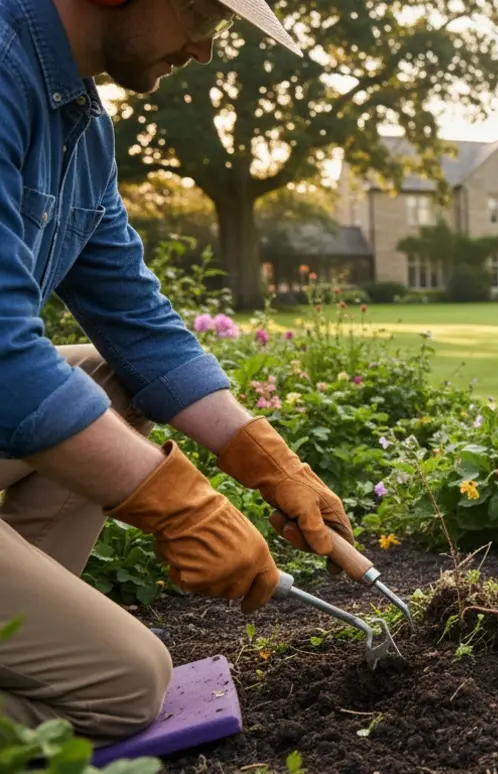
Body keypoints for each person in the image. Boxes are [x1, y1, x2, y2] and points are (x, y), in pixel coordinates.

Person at [0, 0, 354, 746]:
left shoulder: (80, 126)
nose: (203, 49)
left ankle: (25, 648)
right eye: (199, 12)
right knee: (125, 687)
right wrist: (178, 506)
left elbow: (139, 324)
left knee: (110, 377)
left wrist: (261, 455)